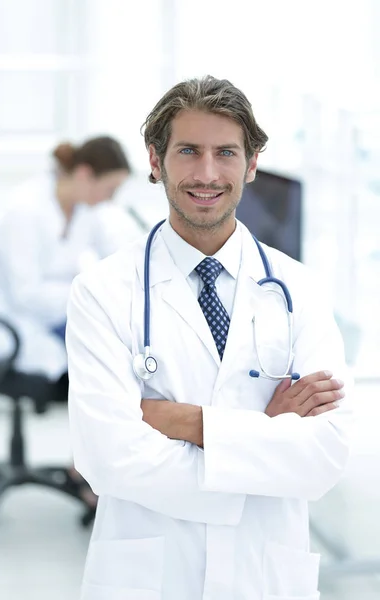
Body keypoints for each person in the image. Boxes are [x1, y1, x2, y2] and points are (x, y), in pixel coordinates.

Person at [66, 76, 353, 600]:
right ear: (156, 161)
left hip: (263, 577)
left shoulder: (300, 289)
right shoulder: (102, 292)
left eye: (225, 152)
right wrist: (264, 434)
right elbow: (107, 458)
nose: (206, 173)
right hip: (149, 579)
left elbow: (323, 458)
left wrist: (184, 422)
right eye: (188, 151)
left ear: (252, 163)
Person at [0, 135, 142, 389]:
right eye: (110, 189)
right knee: (103, 365)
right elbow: (25, 294)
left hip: (51, 316)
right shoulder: (25, 210)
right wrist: (91, 295)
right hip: (13, 321)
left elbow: (117, 254)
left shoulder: (86, 210)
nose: (111, 199)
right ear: (85, 174)